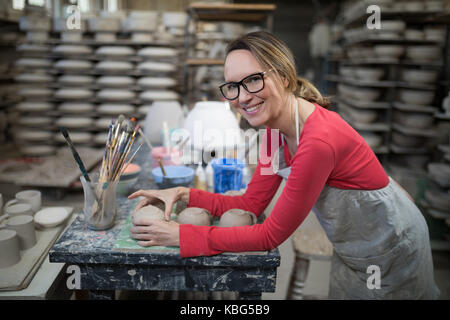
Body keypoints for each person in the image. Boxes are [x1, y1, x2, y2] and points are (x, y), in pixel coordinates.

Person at [128, 31, 440, 299]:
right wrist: (184, 193)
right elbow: (251, 202)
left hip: (392, 245)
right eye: (232, 86)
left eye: (253, 80)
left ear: (285, 77)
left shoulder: (317, 141)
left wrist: (181, 236)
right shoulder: (272, 136)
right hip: (354, 248)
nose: (242, 97)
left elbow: (268, 236)